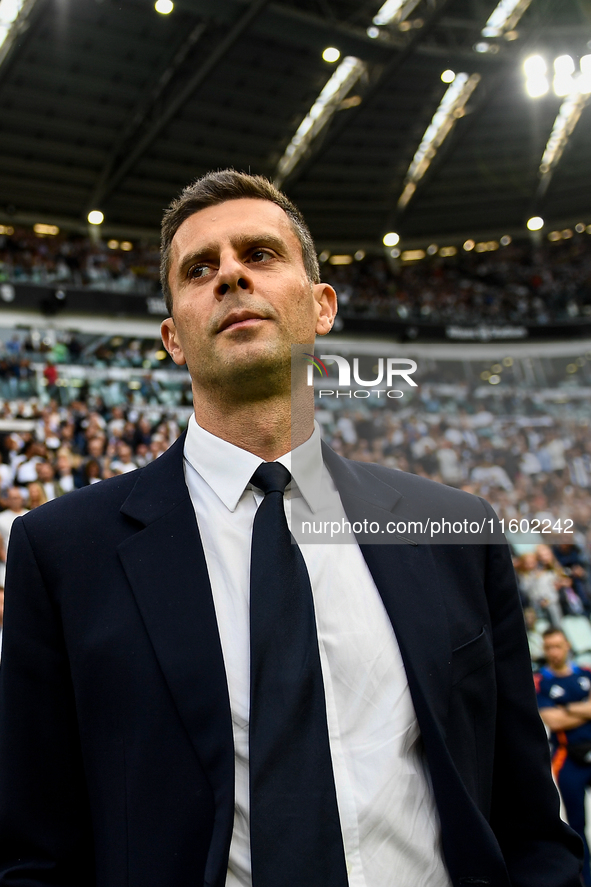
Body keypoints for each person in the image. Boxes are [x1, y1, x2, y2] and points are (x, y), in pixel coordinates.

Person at [0, 170, 582, 886]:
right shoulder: (63, 552)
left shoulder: (453, 531)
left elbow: (527, 819)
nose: (231, 276)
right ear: (172, 337)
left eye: (260, 254)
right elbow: (35, 852)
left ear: (321, 306)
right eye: (199, 268)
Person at [536, 628, 591, 885]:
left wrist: (567, 709)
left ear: (568, 645)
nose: (554, 652)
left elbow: (561, 715)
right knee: (576, 826)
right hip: (567, 758)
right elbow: (553, 721)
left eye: (558, 646)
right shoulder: (541, 681)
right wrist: (585, 709)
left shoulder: (586, 673)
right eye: (549, 647)